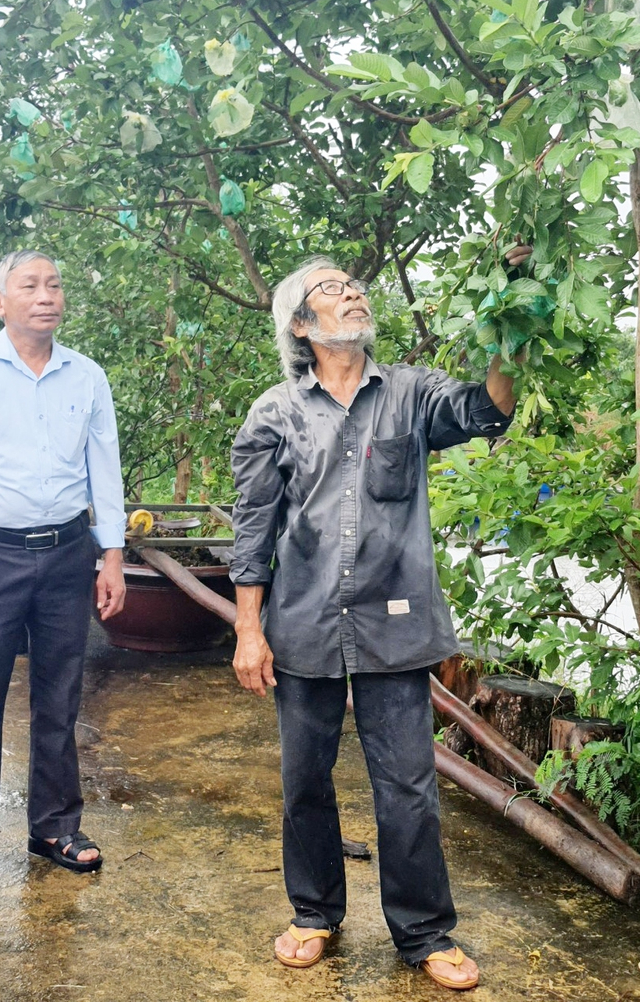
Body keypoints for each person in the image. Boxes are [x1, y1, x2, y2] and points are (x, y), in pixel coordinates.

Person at [227, 257, 517, 992]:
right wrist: (248, 630)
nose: (351, 290)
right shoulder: (274, 413)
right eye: (329, 287)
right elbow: (254, 532)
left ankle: (424, 931)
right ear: (301, 324)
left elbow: (490, 410)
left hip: (395, 619)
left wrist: (510, 313)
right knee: (304, 780)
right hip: (304, 622)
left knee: (408, 785)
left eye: (353, 283)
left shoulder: (412, 392)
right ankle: (314, 912)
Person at [0, 250, 128, 886]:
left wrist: (111, 554)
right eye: (29, 285)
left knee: (60, 696)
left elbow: (105, 470)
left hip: (68, 554)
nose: (46, 296)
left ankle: (56, 826)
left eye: (55, 284)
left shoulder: (86, 376)